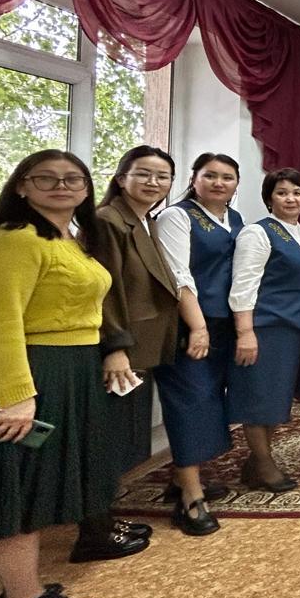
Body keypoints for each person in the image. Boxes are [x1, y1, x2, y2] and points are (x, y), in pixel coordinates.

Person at [0, 151, 110, 598]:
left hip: (67, 369)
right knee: (17, 485)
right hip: (34, 373)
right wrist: (16, 395)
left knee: (14, 481)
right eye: (47, 178)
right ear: (21, 186)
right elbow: (0, 322)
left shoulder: (67, 237)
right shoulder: (13, 238)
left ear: (87, 188)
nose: (61, 186)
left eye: (73, 179)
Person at [87, 145, 183, 560]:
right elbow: (105, 290)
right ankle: (94, 532)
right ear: (121, 177)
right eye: (143, 174)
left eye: (162, 176)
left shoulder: (144, 220)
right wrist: (115, 347)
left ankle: (105, 519)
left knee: (123, 438)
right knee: (106, 440)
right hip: (122, 350)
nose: (153, 183)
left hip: (145, 345)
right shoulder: (108, 221)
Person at [155, 152, 244, 535]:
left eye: (227, 177)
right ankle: (191, 499)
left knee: (210, 400)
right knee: (189, 401)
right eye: (210, 175)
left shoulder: (234, 219)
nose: (219, 183)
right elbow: (178, 275)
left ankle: (182, 479)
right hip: (188, 326)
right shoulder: (176, 217)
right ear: (194, 179)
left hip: (223, 323)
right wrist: (197, 326)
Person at [229, 168, 300, 492]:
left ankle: (255, 462)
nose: (291, 199)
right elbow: (243, 284)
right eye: (282, 193)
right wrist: (245, 332)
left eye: (297, 192)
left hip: (293, 328)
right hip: (265, 327)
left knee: (275, 398)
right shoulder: (257, 233)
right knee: (259, 397)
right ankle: (264, 464)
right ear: (269, 198)